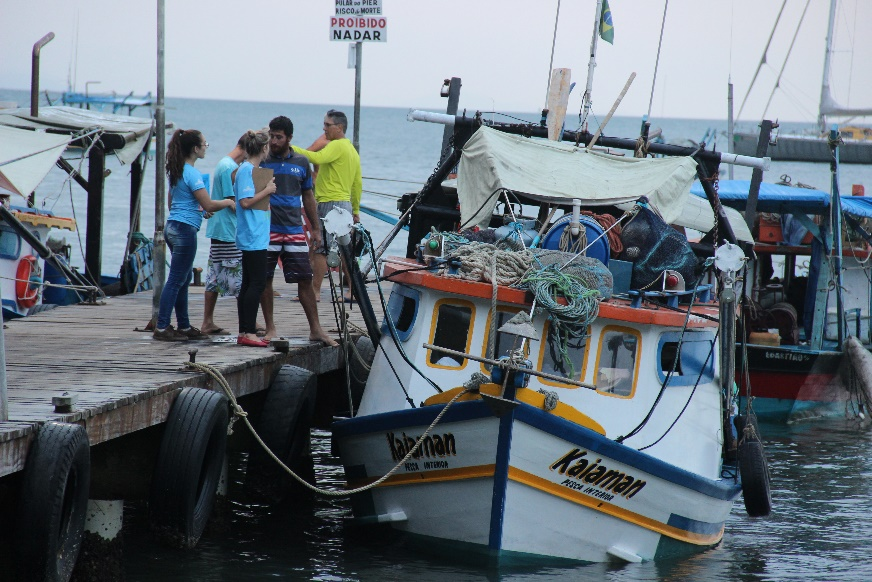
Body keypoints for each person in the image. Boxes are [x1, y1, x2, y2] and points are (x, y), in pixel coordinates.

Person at [260, 116, 337, 346]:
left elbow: (308, 196)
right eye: (271, 136)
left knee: (305, 279)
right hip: (268, 229)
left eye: (278, 137)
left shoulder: (301, 162)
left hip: (294, 229)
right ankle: (270, 328)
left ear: (289, 138)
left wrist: (315, 229)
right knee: (265, 279)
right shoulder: (262, 161)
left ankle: (316, 329)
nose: (274, 141)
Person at [154, 129, 234, 341]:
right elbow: (208, 203)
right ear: (195, 149)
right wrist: (227, 202)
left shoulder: (177, 171)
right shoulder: (192, 174)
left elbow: (174, 204)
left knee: (184, 276)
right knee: (176, 279)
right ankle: (162, 327)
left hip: (173, 227)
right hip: (184, 231)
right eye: (204, 145)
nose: (206, 148)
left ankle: (184, 325)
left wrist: (198, 209)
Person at [291, 110, 362, 300]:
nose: (324, 128)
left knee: (321, 247)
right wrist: (355, 210)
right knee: (345, 249)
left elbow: (315, 158)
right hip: (344, 204)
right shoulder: (352, 151)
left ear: (339, 128)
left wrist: (289, 148)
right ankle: (353, 290)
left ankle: (314, 291)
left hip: (330, 203)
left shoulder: (337, 145)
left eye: (327, 125)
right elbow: (357, 184)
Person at [199, 134, 246, 335]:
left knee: (214, 276)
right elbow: (233, 201)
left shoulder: (224, 164)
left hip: (220, 228)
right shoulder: (228, 167)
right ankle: (247, 321)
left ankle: (207, 321)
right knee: (240, 276)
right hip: (228, 229)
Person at [235, 130, 276, 347]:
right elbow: (245, 202)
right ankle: (248, 331)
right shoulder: (246, 171)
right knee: (257, 283)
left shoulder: (252, 170)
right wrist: (267, 189)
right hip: (252, 235)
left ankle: (245, 330)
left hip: (257, 232)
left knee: (249, 283)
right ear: (263, 148)